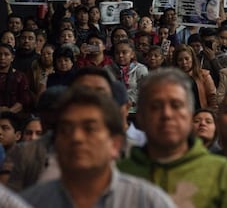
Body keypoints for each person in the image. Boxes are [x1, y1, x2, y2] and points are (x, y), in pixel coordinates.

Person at [117, 68, 227, 207]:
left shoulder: (221, 172)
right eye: (156, 107)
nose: (167, 114)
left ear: (190, 116)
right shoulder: (120, 175)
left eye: (176, 105)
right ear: (140, 117)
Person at [21, 86, 176, 207]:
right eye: (66, 130)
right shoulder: (31, 202)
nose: (76, 138)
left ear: (115, 145)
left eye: (90, 129)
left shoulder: (148, 201)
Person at [173, 44, 217, 110]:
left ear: (192, 59)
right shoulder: (172, 79)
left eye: (187, 59)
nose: (184, 62)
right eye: (180, 60)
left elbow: (212, 98)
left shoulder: (204, 75)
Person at [0, 43, 31, 114]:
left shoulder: (20, 76)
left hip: (14, 115)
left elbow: (23, 100)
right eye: (0, 54)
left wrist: (9, 112)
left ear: (12, 58)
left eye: (6, 54)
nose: (2, 57)